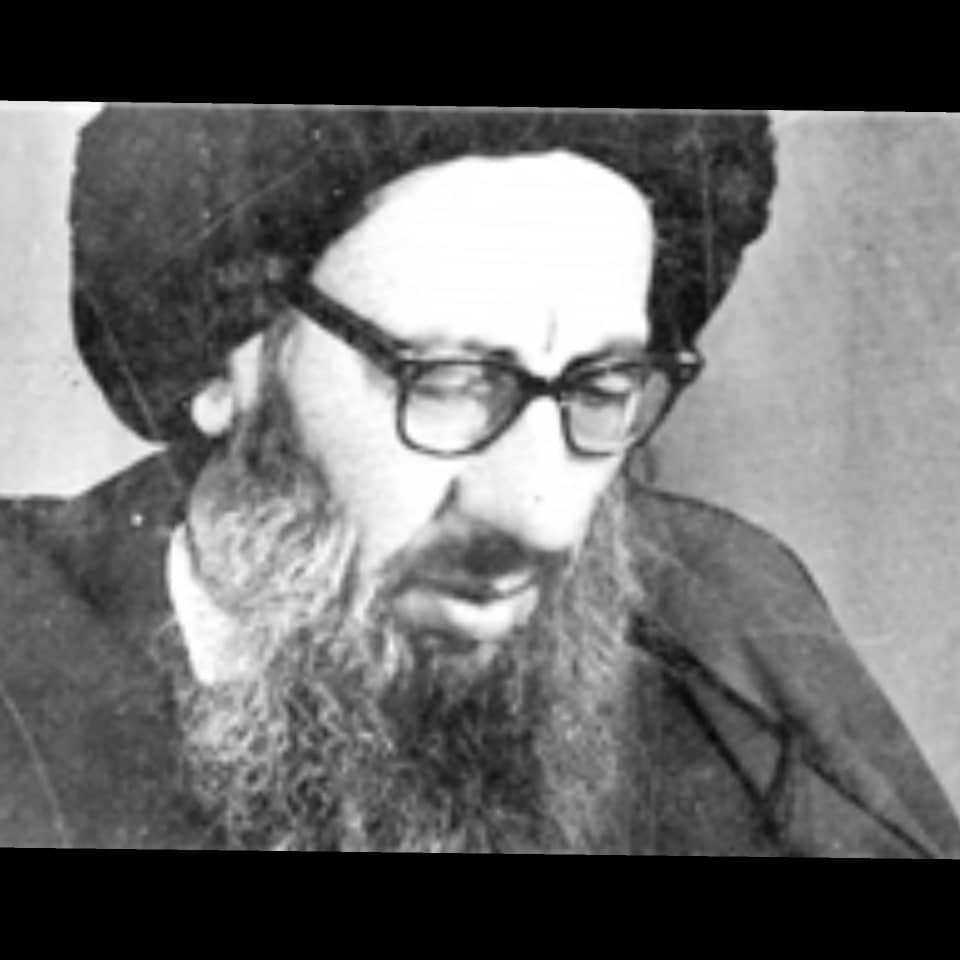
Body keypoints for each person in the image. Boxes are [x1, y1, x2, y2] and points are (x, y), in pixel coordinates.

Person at [0, 105, 956, 854]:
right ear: (228, 363)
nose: (541, 518)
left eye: (602, 386)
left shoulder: (725, 613)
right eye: (450, 382)